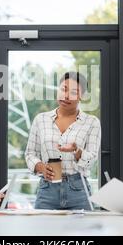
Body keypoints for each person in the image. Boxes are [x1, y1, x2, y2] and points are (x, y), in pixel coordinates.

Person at [25, 72, 101, 210]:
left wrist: (76, 151)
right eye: (63, 89)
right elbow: (30, 154)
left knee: (83, 232)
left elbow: (92, 159)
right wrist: (41, 167)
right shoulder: (40, 119)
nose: (66, 96)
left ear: (82, 96)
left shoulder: (92, 122)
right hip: (47, 190)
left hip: (78, 191)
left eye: (73, 92)